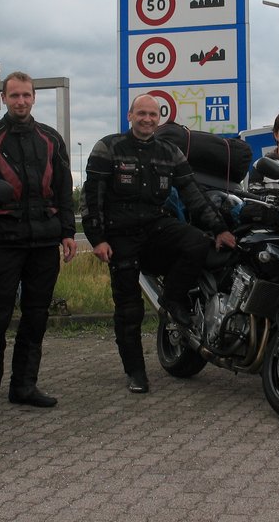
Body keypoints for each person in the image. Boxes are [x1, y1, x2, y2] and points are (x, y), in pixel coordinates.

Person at [81, 94, 236, 394]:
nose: (147, 119)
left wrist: (219, 229)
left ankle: (173, 298)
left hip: (156, 226)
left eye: (153, 114)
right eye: (141, 113)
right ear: (130, 116)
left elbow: (192, 192)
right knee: (129, 310)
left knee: (196, 242)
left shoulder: (170, 152)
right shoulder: (108, 147)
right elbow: (91, 197)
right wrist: (97, 239)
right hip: (121, 235)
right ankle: (136, 372)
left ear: (159, 118)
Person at [0, 71, 77, 412]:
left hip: (45, 241)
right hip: (5, 240)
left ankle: (24, 386)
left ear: (34, 97)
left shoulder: (51, 139)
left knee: (36, 316)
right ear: (4, 99)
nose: (21, 101)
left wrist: (68, 232)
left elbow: (64, 189)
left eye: (26, 95)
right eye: (14, 96)